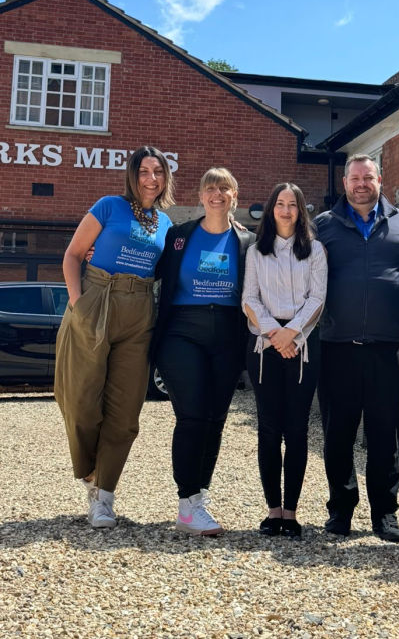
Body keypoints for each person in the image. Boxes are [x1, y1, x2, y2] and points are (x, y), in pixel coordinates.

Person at [55, 145, 175, 529]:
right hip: (97, 299)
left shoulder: (167, 224)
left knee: (125, 411)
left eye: (158, 171)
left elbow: (171, 268)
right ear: (132, 174)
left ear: (165, 178)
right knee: (81, 401)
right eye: (143, 170)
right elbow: (73, 256)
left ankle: (103, 494)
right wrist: (78, 303)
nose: (150, 178)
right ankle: (89, 471)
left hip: (139, 310)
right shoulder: (108, 206)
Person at [314, 154, 399, 543]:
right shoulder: (323, 226)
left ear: (381, 180)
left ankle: (385, 515)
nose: (361, 184)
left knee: (384, 436)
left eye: (368, 177)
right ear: (344, 183)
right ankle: (340, 511)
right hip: (336, 347)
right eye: (354, 178)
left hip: (387, 349)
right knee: (337, 436)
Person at [153, 167, 255, 536]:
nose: (217, 194)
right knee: (193, 416)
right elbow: (146, 267)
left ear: (235, 196)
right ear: (200, 196)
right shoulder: (179, 236)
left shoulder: (248, 242)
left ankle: (199, 498)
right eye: (210, 188)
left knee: (215, 420)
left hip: (229, 335)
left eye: (224, 188)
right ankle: (186, 502)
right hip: (182, 334)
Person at [242, 183, 327, 539]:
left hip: (302, 348)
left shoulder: (315, 250)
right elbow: (248, 297)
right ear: (272, 209)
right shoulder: (256, 251)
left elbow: (317, 298)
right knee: (268, 429)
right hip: (265, 348)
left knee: (296, 431)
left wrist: (290, 333)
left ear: (301, 211)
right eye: (280, 204)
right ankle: (272, 510)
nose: (287, 210)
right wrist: (274, 335)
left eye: (293, 205)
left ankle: (291, 512)